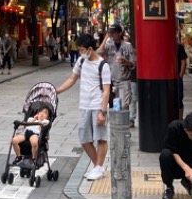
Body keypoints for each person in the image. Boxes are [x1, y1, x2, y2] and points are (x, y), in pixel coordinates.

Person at [56, 32, 111, 182]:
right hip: (84, 106)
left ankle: (98, 168)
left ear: (90, 49)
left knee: (101, 138)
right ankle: (98, 167)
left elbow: (106, 91)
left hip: (97, 105)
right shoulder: (81, 61)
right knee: (84, 139)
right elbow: (72, 79)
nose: (80, 52)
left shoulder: (103, 65)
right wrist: (56, 91)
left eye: (81, 49)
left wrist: (102, 111)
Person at [99, 24, 135, 122]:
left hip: (124, 81)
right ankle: (116, 126)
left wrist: (126, 62)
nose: (113, 34)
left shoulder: (127, 46)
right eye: (111, 32)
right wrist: (106, 36)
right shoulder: (109, 44)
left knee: (124, 105)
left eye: (114, 32)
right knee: (113, 106)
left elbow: (134, 64)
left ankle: (124, 126)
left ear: (119, 33)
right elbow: (100, 52)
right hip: (112, 81)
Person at [177, 36, 188, 118]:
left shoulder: (179, 47)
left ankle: (180, 117)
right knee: (178, 99)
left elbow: (183, 62)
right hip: (176, 77)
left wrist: (180, 75)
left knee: (179, 99)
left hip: (177, 77)